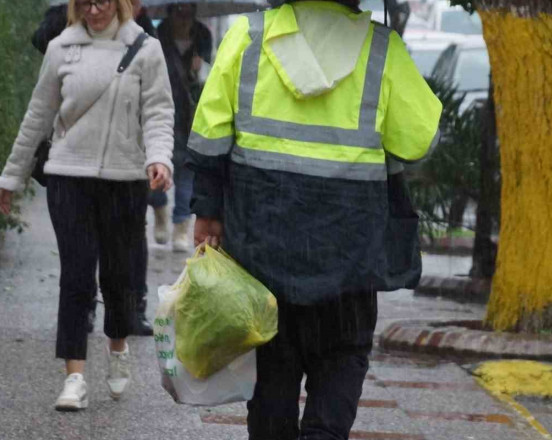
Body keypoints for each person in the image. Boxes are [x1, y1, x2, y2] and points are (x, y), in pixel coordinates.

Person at [186, 0, 442, 438]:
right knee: (342, 359)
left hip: (262, 256)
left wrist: (208, 212)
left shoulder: (248, 37)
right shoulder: (382, 51)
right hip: (349, 261)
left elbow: (209, 136)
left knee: (271, 379)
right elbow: (420, 142)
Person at [0, 0, 174, 411]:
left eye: (104, 1)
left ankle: (117, 344)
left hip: (125, 180)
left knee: (118, 276)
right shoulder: (62, 48)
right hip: (68, 178)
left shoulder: (145, 48)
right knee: (76, 276)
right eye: (86, 2)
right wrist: (11, 176)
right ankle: (74, 377)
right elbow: (37, 117)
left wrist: (159, 158)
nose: (95, 10)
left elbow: (160, 112)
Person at [31, 0, 159, 337]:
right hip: (74, 154)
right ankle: (83, 306)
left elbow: (158, 102)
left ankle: (131, 308)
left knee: (128, 244)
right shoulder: (65, 26)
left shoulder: (144, 38)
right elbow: (41, 43)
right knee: (80, 249)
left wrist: (158, 155)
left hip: (124, 157)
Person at [147, 2, 212, 252]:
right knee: (155, 166)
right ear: (170, 12)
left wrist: (200, 68)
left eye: (188, 12)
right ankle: (160, 208)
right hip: (160, 109)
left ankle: (180, 225)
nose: (183, 18)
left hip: (191, 115)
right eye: (179, 12)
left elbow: (210, 75)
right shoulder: (157, 34)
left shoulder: (203, 35)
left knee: (186, 171)